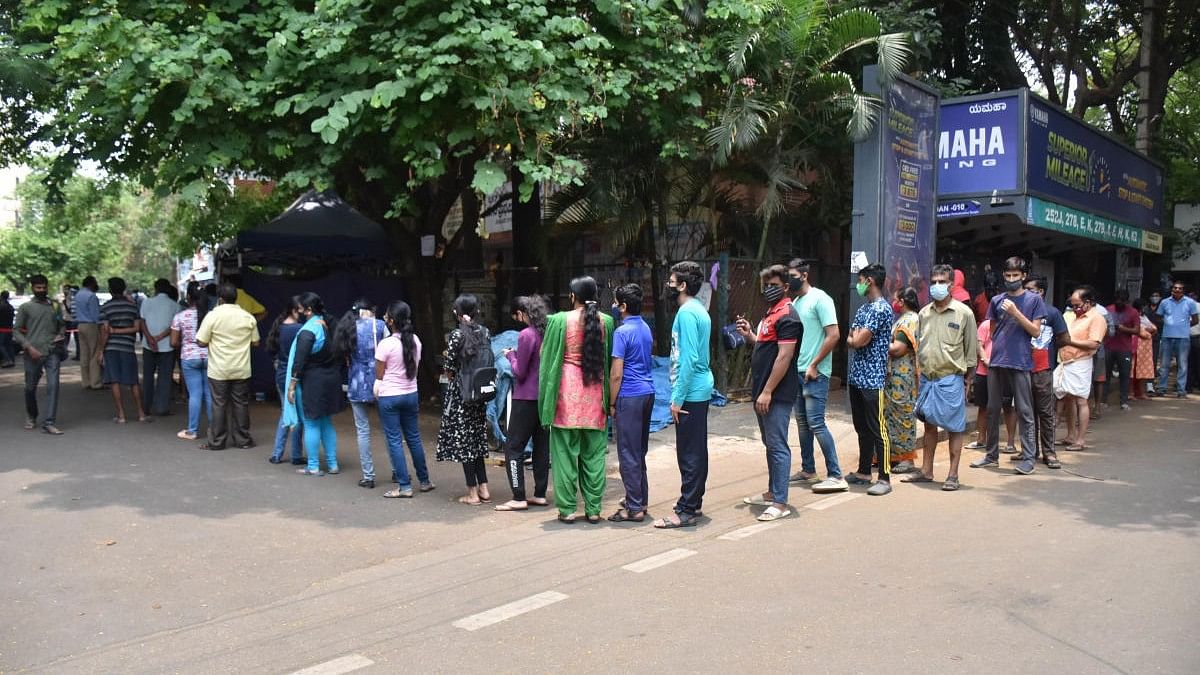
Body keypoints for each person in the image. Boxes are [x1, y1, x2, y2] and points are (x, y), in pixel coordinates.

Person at [538, 277, 614, 524]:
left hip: (566, 400)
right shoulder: (607, 322)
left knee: (564, 456)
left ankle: (568, 509)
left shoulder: (559, 321)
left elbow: (546, 359)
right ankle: (593, 510)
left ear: (573, 296)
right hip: (595, 399)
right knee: (594, 457)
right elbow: (610, 362)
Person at [903, 264, 977, 489]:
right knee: (929, 424)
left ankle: (953, 475)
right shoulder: (924, 313)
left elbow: (971, 350)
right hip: (927, 378)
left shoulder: (964, 313)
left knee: (955, 426)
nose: (937, 286)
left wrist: (969, 381)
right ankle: (927, 470)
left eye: (942, 282)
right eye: (933, 282)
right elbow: (919, 347)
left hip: (951, 378)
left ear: (951, 285)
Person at [969, 257, 1045, 476]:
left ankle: (1028, 458)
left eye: (1016, 275)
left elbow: (1036, 331)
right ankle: (991, 455)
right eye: (1008, 275)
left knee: (1024, 410)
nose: (1011, 279)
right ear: (1004, 275)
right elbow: (992, 331)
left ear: (1023, 276)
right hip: (997, 360)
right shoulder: (997, 300)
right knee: (992, 409)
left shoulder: (1033, 300)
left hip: (1020, 361)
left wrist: (1015, 313)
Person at [650, 261, 713, 528]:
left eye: (672, 281)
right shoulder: (699, 310)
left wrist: (677, 398)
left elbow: (688, 359)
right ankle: (694, 503)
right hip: (699, 388)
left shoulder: (687, 313)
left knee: (689, 452)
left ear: (683, 285)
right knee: (696, 449)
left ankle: (686, 509)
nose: (668, 286)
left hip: (691, 391)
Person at [736, 265, 801, 521]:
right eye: (766, 285)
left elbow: (784, 357)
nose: (768, 289)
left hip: (776, 393)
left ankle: (781, 502)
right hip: (763, 391)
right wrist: (750, 334)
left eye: (774, 285)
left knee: (777, 445)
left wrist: (768, 391)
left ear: (786, 286)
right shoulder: (771, 314)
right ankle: (773, 492)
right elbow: (765, 346)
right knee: (770, 444)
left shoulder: (788, 316)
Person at [787, 259, 846, 494]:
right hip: (798, 371)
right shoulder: (796, 302)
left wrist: (814, 364)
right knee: (803, 424)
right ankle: (808, 469)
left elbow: (833, 335)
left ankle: (836, 474)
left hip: (815, 373)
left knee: (816, 423)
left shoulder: (821, 299)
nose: (789, 279)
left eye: (792, 275)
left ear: (803, 275)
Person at [843, 263, 895, 495]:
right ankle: (864, 471)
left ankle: (884, 478)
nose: (859, 285)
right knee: (861, 427)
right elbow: (851, 337)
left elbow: (859, 339)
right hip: (857, 377)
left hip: (873, 379)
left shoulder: (881, 309)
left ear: (870, 281)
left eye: (861, 280)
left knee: (877, 429)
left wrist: (855, 338)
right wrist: (855, 338)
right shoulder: (864, 309)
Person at [436, 294, 493, 504]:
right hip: (480, 393)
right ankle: (484, 489)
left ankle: (472, 493)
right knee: (477, 440)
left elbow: (449, 367)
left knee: (465, 443)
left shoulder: (457, 335)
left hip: (462, 395)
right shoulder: (485, 332)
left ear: (457, 313)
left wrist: (455, 377)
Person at [375, 300, 435, 498]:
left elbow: (379, 374)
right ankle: (424, 481)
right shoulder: (416, 341)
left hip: (390, 397)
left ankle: (404, 486)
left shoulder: (386, 344)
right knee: (414, 438)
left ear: (391, 321)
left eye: (386, 316)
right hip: (411, 394)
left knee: (394, 441)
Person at [496, 295, 550, 512]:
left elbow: (520, 371)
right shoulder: (547, 332)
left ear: (522, 313)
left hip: (525, 398)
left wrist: (510, 356)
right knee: (541, 447)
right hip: (544, 397)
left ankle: (518, 496)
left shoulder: (526, 335)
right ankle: (539, 494)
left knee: (513, 447)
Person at [606, 286, 655, 522]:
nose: (614, 307)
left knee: (628, 453)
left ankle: (634, 507)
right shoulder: (645, 327)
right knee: (639, 451)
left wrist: (611, 402)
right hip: (648, 393)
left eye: (616, 303)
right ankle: (640, 500)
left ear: (624, 307)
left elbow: (616, 373)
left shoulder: (622, 332)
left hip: (630, 395)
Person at [195, 281, 260, 450]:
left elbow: (201, 342)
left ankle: (217, 442)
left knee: (219, 404)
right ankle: (243, 440)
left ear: (220, 299)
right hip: (241, 369)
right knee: (241, 404)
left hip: (219, 370)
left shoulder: (212, 316)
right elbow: (256, 342)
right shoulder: (247, 317)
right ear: (235, 298)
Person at [285, 292, 341, 473]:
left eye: (301, 306)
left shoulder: (309, 331)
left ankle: (313, 466)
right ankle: (333, 465)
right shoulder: (327, 324)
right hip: (330, 380)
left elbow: (299, 362)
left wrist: (292, 385)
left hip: (312, 383)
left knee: (311, 423)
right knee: (326, 422)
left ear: (308, 310)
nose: (298, 308)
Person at [338, 300, 388, 488]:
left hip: (357, 381)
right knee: (388, 429)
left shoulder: (349, 327)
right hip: (379, 379)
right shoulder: (381, 326)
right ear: (371, 310)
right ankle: (395, 471)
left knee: (362, 430)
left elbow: (345, 356)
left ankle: (368, 476)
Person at [1020, 274, 1068, 469]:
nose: (1026, 293)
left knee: (1045, 412)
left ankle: (1049, 452)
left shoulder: (1052, 313)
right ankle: (1030, 451)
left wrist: (1048, 350)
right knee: (1026, 412)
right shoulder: (1020, 312)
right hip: (1022, 368)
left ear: (1040, 292)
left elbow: (1064, 338)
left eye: (1030, 289)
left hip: (1043, 369)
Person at [13, 274, 67, 434]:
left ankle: (49, 421)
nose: (41, 290)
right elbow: (16, 331)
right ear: (33, 288)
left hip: (52, 352)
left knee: (53, 386)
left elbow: (62, 325)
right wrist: (28, 347)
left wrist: (61, 334)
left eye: (44, 287)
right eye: (38, 288)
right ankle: (31, 415)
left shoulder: (55, 306)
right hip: (33, 353)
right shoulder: (25, 308)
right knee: (30, 388)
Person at [1055, 287, 1107, 451]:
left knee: (1080, 400)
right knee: (1068, 398)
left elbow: (1094, 343)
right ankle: (1070, 436)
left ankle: (1080, 440)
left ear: (1088, 303)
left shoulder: (1096, 318)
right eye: (1073, 305)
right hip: (1066, 362)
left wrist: (1069, 342)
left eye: (1078, 305)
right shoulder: (1073, 317)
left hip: (1081, 361)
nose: (1075, 308)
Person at [97, 277, 148, 424]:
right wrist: (123, 331)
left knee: (115, 381)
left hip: (111, 348)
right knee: (133, 382)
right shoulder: (132, 307)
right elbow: (137, 328)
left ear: (110, 290)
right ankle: (141, 413)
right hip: (128, 347)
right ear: (124, 288)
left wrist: (101, 350)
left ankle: (121, 415)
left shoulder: (105, 308)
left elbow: (105, 331)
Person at [966, 317, 1016, 453]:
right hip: (984, 370)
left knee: (1008, 407)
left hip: (1005, 370)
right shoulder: (985, 325)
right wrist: (985, 359)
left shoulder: (1012, 323)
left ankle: (1010, 442)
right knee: (983, 406)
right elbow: (979, 345)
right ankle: (981, 439)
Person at [885, 287, 921, 474]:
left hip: (903, 376)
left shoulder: (910, 320)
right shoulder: (905, 319)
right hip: (897, 376)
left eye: (895, 299)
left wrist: (879, 342)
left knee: (903, 415)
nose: (894, 303)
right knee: (893, 415)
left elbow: (898, 349)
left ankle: (906, 459)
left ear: (902, 301)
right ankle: (893, 456)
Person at [265, 298, 306, 464]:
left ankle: (277, 453)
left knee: (285, 413)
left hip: (281, 375)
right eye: (301, 310)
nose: (304, 313)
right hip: (296, 376)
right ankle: (296, 455)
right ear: (295, 310)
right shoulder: (300, 329)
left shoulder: (279, 327)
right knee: (297, 416)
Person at [171, 284, 213, 441]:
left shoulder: (180, 316)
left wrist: (187, 342)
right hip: (210, 357)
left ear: (188, 297)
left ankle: (192, 430)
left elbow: (173, 342)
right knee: (209, 394)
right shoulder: (211, 316)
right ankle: (213, 429)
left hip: (189, 357)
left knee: (195, 394)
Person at [139, 279, 178, 418]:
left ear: (155, 289)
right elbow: (174, 327)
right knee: (165, 377)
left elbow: (142, 321)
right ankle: (162, 408)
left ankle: (146, 407)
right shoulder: (175, 305)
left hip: (148, 345)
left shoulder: (146, 302)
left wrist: (150, 338)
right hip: (166, 346)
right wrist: (159, 337)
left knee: (148, 376)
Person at [1153, 281, 1199, 398]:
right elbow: (1158, 317)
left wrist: (1183, 326)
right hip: (1167, 337)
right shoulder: (1164, 302)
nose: (1177, 290)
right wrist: (1168, 323)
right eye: (1175, 288)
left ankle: (1181, 390)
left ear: (1183, 291)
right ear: (1172, 290)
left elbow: (1195, 320)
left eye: (1180, 289)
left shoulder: (1190, 303)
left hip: (1183, 338)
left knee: (1182, 365)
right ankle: (1162, 388)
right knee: (1164, 365)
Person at [1103, 289, 1139, 410]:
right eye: (1117, 300)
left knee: (1124, 375)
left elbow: (1137, 330)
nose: (1119, 302)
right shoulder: (1108, 310)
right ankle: (1103, 400)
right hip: (1108, 346)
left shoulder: (1133, 312)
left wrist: (1124, 329)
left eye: (1122, 301)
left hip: (1124, 348)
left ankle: (1123, 400)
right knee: (1105, 374)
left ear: (1126, 301)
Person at [1130, 298, 1157, 400]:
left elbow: (1154, 328)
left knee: (1143, 370)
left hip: (1145, 349)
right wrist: (1148, 331)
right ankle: (1131, 393)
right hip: (1136, 345)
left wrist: (1151, 330)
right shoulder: (1133, 316)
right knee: (1132, 370)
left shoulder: (1143, 316)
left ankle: (1141, 393)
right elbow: (1140, 331)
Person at [0, 290, 14, 368]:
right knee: (9, 345)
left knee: (1, 346)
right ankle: (12, 360)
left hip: (2, 329)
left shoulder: (1, 306)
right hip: (9, 329)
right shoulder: (10, 306)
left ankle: (8, 360)